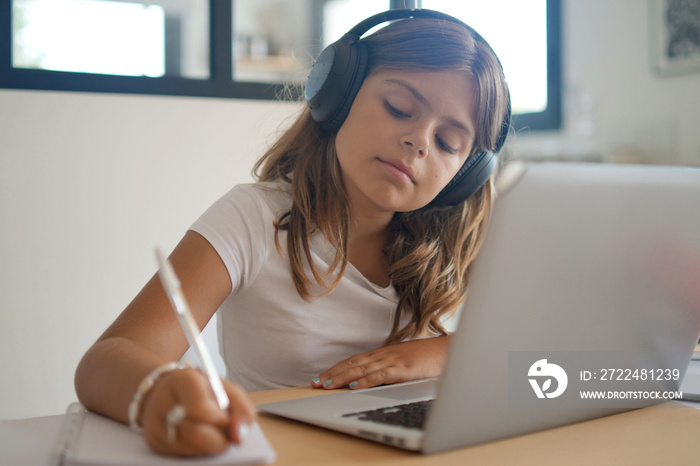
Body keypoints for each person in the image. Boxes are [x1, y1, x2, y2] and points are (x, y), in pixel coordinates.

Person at [74, 9, 511, 458]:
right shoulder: (254, 218)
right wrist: (157, 392)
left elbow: (550, 358)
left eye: (447, 144)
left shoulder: (456, 247)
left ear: (465, 175)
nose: (419, 140)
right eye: (399, 108)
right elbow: (103, 362)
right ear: (337, 93)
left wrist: (440, 353)